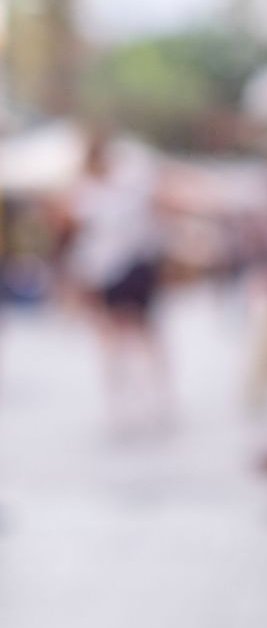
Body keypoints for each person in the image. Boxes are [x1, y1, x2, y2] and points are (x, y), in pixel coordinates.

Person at [57, 129, 170, 430]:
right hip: (112, 268)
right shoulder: (90, 190)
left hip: (126, 265)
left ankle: (146, 395)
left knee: (131, 333)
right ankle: (133, 397)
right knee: (123, 334)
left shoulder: (122, 181)